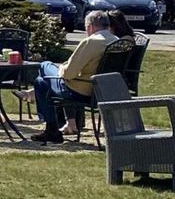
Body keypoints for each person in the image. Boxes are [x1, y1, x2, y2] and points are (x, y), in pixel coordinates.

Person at [32, 10, 117, 143]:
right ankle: (52, 129)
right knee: (40, 82)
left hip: (80, 90)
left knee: (44, 66)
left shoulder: (91, 42)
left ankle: (52, 129)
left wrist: (60, 68)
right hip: (104, 91)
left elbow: (69, 74)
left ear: (90, 26)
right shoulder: (116, 41)